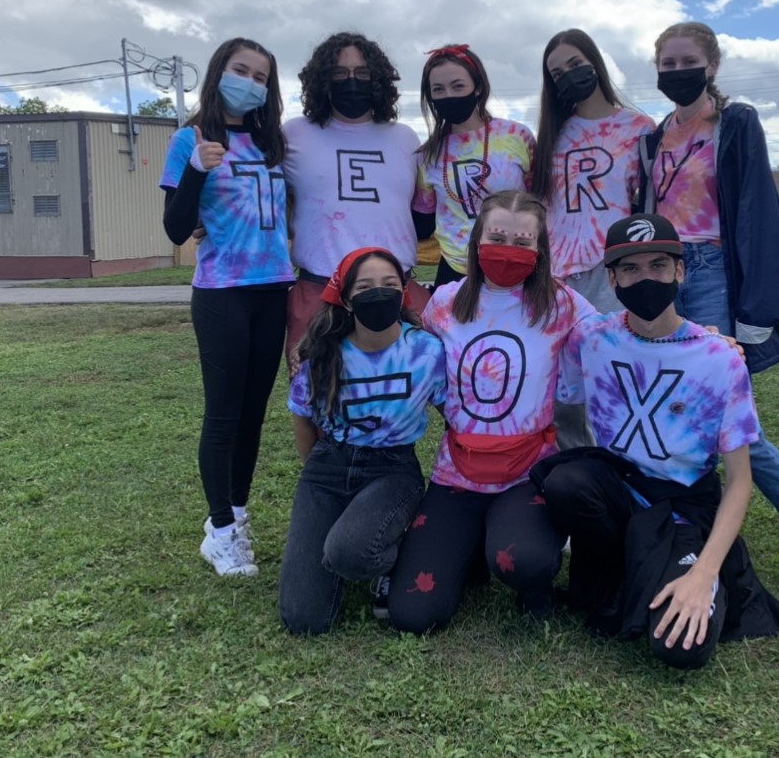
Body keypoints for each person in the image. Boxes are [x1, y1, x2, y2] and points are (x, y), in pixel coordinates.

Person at [639, 21, 779, 576]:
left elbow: (757, 210)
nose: (674, 71)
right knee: (670, 401)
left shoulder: (734, 124)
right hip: (665, 271)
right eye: (665, 64)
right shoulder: (655, 134)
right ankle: (686, 521)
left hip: (714, 273)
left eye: (685, 61)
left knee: (722, 415)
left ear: (711, 66)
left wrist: (757, 308)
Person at [536, 213, 779, 668]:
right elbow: (552, 382)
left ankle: (668, 572)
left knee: (681, 648)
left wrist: (704, 573)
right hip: (622, 489)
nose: (645, 279)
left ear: (681, 271)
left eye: (658, 265)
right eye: (630, 270)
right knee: (567, 483)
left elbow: (738, 482)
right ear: (612, 279)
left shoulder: (719, 358)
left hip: (683, 508)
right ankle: (615, 570)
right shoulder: (590, 339)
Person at [388, 190, 594, 634]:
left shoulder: (562, 304)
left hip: (527, 471)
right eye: (498, 236)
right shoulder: (445, 301)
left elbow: (618, 340)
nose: (508, 249)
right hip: (456, 473)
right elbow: (406, 352)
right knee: (413, 615)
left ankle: (519, 569)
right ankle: (471, 550)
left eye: (522, 241)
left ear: (539, 250)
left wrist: (701, 337)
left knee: (523, 561)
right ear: (478, 239)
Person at [160, 37, 291, 577]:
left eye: (261, 76)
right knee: (223, 414)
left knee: (255, 413)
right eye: (242, 71)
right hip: (221, 293)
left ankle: (236, 514)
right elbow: (174, 227)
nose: (251, 83)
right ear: (218, 73)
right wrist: (194, 168)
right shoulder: (189, 138)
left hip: (273, 288)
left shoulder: (273, 143)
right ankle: (219, 530)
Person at [279, 247, 447, 634]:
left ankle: (393, 551)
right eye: (365, 286)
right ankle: (344, 538)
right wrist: (316, 478)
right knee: (304, 620)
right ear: (345, 296)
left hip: (392, 470)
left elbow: (451, 414)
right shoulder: (321, 352)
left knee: (349, 553)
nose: (379, 293)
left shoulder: (426, 352)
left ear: (404, 291)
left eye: (390, 284)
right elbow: (303, 420)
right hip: (327, 469)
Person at [532, 29, 656, 450]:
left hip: (613, 271)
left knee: (616, 377)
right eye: (556, 72)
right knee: (564, 389)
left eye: (574, 64)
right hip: (558, 276)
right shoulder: (552, 135)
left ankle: (626, 474)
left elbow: (645, 206)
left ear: (594, 63)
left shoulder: (638, 128)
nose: (568, 75)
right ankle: (578, 474)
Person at [282, 32, 431, 359]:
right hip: (318, 291)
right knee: (316, 399)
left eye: (363, 73)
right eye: (339, 73)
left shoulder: (406, 139)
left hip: (396, 294)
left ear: (378, 80)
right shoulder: (293, 134)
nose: (351, 81)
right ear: (322, 80)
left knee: (403, 397)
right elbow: (255, 188)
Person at [413, 44, 535, 288]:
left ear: (478, 87)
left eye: (458, 86)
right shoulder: (428, 155)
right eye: (438, 89)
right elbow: (422, 220)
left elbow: (541, 203)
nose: (448, 95)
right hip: (456, 270)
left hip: (515, 264)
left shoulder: (516, 136)